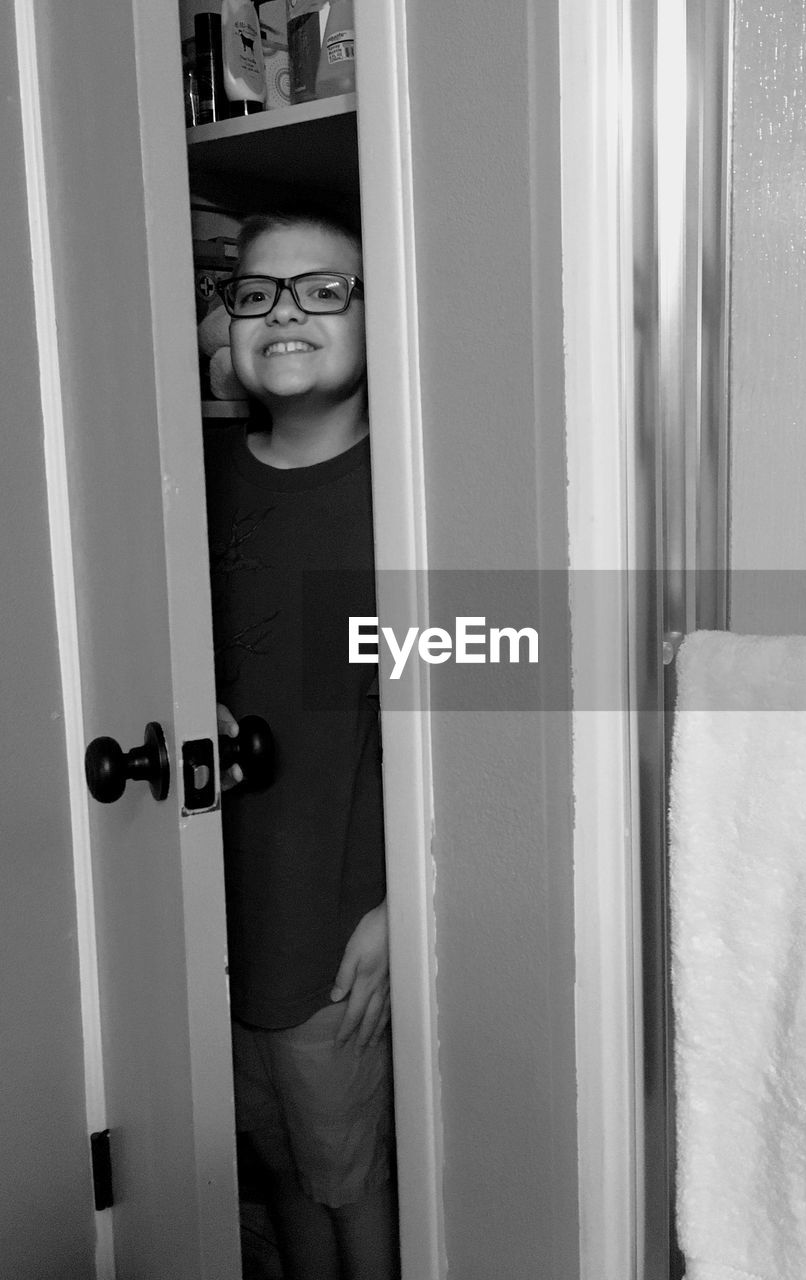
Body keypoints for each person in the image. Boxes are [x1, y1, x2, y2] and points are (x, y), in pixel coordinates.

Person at [203, 204, 399, 1280]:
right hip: (212, 911)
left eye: (323, 289)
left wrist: (401, 901)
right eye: (255, 292)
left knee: (347, 1175)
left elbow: (474, 718)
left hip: (335, 925)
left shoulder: (409, 491)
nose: (284, 312)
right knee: (273, 1160)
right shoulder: (191, 478)